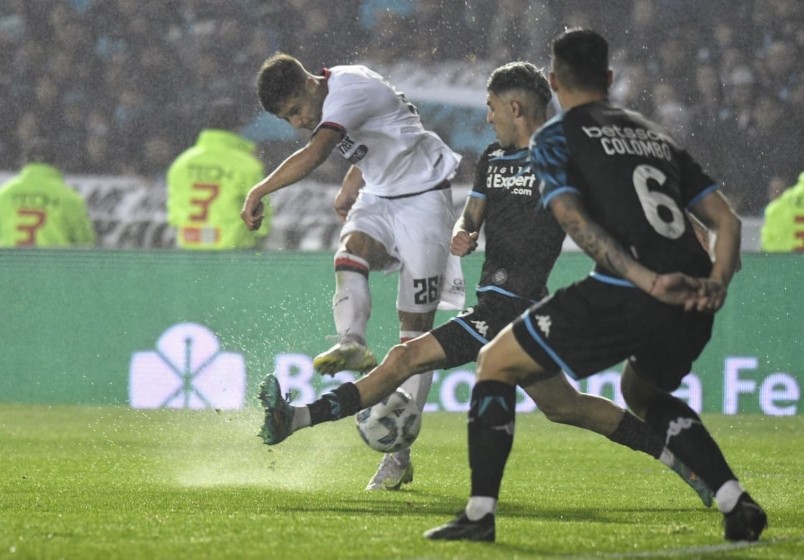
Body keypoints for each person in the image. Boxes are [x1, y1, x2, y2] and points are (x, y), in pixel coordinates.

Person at [256, 62, 714, 504]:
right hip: (514, 312)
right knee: (565, 407)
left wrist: (686, 220)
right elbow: (472, 216)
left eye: (492, 106)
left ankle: (293, 419)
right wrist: (462, 232)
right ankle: (685, 462)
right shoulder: (493, 159)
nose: (487, 116)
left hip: (507, 310)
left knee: (403, 358)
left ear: (515, 108)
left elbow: (631, 186)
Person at [425, 29, 767, 543]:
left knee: (495, 362)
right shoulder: (654, 135)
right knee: (641, 392)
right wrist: (716, 280)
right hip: (694, 292)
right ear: (609, 78)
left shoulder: (556, 138)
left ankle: (479, 516)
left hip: (635, 286)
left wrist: (647, 280)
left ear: (553, 82)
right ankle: (734, 502)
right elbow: (728, 223)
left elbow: (573, 219)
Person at [241, 53, 465, 488]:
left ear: (310, 84)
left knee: (416, 334)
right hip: (380, 197)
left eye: (294, 111)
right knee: (351, 248)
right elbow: (380, 137)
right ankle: (351, 341)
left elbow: (317, 151)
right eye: (288, 118)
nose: (297, 122)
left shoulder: (347, 90)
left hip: (424, 202)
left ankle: (399, 457)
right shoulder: (335, 94)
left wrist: (261, 189)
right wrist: (354, 182)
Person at [167, 98, 270, 250]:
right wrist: (262, 236)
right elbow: (261, 211)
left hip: (190, 247)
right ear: (238, 128)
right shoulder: (246, 165)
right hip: (232, 249)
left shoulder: (181, 163)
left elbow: (175, 213)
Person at [0, 137, 95, 248]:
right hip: (53, 264)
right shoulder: (70, 198)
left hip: (10, 264)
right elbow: (86, 243)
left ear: (25, 162)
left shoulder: (3, 194)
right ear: (56, 162)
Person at [760, 171, 804, 252]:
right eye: (773, 190)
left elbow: (768, 243)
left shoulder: (775, 209)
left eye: (779, 191)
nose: (775, 194)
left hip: (786, 261)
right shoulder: (775, 209)